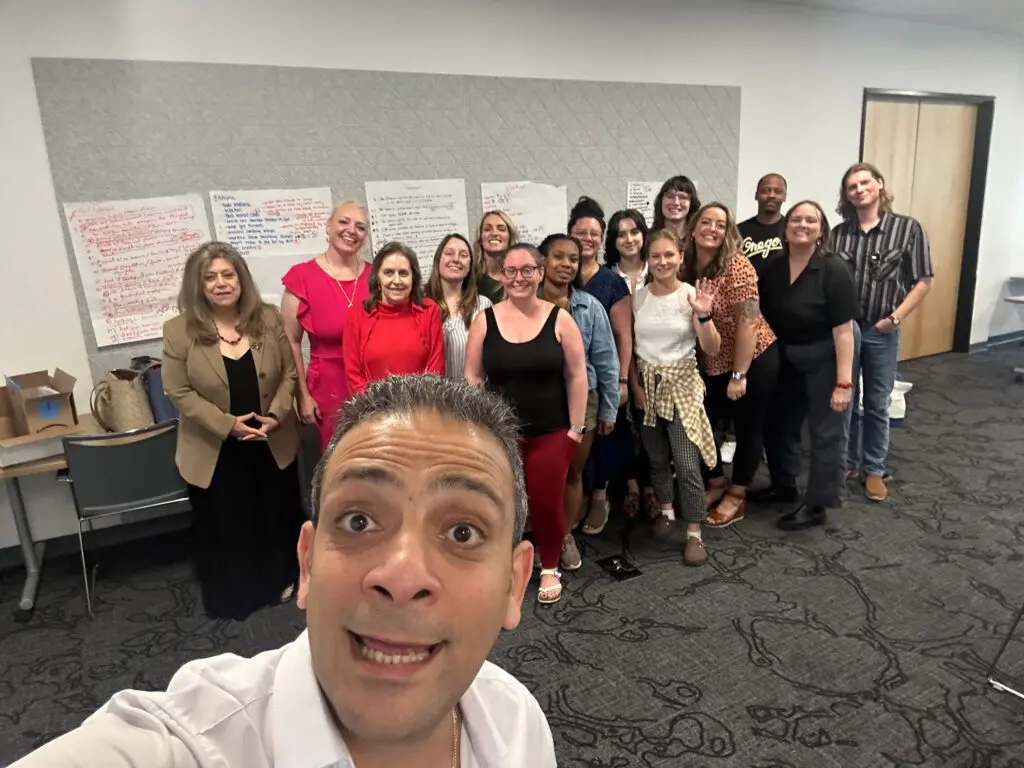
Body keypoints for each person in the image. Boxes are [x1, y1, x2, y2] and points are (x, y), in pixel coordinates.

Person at [9, 375, 557, 767]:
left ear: (514, 583)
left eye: (462, 532)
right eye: (360, 519)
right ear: (308, 563)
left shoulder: (516, 723)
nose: (402, 574)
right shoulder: (189, 746)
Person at [161, 242, 304, 620]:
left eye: (228, 274)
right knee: (228, 521)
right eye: (210, 277)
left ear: (241, 279)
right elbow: (177, 391)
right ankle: (238, 594)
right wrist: (228, 426)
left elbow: (289, 373)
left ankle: (281, 582)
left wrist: (275, 415)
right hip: (215, 448)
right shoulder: (179, 331)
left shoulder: (269, 318)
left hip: (270, 441)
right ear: (198, 285)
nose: (221, 283)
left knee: (274, 513)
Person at [465, 244, 588, 604]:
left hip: (551, 431)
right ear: (501, 277)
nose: (518, 278)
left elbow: (577, 375)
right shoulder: (484, 320)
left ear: (540, 272)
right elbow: (472, 377)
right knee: (502, 504)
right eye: (510, 271)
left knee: (547, 503)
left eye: (526, 270)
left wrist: (576, 429)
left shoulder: (560, 318)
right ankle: (502, 565)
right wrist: (480, 429)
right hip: (501, 435)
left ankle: (549, 565)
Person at [832, 162, 933, 502]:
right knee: (844, 400)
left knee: (876, 402)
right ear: (846, 195)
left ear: (879, 185)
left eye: (864, 183)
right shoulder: (838, 234)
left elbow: (923, 281)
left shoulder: (907, 230)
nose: (858, 190)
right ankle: (845, 462)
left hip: (880, 329)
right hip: (845, 329)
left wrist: (896, 317)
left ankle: (874, 468)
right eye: (851, 186)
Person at [755, 201, 859, 530]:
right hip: (786, 354)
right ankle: (783, 485)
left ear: (821, 230)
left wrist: (844, 384)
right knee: (778, 423)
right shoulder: (773, 266)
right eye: (796, 219)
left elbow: (844, 331)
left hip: (826, 354)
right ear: (784, 228)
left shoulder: (833, 269)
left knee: (825, 430)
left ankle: (818, 504)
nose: (802, 224)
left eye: (810, 220)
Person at [683, 203, 779, 528]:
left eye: (720, 224)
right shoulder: (684, 265)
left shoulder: (737, 265)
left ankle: (737, 495)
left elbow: (749, 322)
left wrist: (739, 375)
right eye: (706, 222)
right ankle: (716, 484)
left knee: (748, 426)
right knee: (706, 424)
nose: (712, 228)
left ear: (727, 232)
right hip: (711, 359)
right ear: (693, 228)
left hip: (752, 356)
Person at [629, 229, 720, 566]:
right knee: (655, 456)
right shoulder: (637, 299)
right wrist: (636, 387)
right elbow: (634, 350)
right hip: (649, 385)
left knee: (685, 461)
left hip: (682, 385)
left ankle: (694, 531)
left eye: (669, 255)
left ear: (681, 257)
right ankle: (666, 511)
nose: (662, 262)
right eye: (656, 256)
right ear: (647, 261)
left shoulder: (692, 296)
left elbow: (711, 348)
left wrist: (704, 314)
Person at [537, 233, 619, 571]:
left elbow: (606, 360)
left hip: (583, 399)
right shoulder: (521, 304)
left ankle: (563, 536)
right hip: (537, 399)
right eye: (559, 257)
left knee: (573, 472)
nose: (567, 264)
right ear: (542, 262)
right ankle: (539, 533)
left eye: (573, 258)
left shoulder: (590, 307)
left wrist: (609, 408)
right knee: (538, 474)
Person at [281, 201, 371, 451]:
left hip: (370, 384)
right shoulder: (302, 277)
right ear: (328, 226)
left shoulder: (376, 278)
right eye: (343, 222)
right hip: (326, 387)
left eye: (360, 227)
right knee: (334, 462)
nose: (351, 230)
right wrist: (302, 396)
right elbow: (291, 341)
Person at [567, 196, 632, 534]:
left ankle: (599, 498)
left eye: (595, 233)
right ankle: (573, 502)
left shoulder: (611, 281)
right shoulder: (560, 274)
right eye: (581, 231)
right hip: (564, 382)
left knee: (603, 439)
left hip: (601, 377)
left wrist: (621, 382)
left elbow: (623, 335)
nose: (588, 238)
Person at [603, 208, 656, 518]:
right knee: (625, 428)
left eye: (634, 231)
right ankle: (633, 486)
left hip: (658, 362)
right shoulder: (608, 276)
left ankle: (652, 488)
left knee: (652, 428)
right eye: (620, 234)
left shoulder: (660, 266)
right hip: (623, 364)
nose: (629, 239)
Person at [343, 242, 445, 394]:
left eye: (403, 273)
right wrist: (378, 410)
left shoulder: (429, 311)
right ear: (377, 277)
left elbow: (436, 367)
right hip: (373, 411)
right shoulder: (356, 315)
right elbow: (353, 374)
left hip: (420, 407)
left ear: (413, 278)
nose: (396, 281)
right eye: (389, 272)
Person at [425, 233, 492, 380]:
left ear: (470, 265)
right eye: (449, 253)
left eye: (463, 255)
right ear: (438, 261)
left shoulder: (483, 306)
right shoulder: (421, 303)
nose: (456, 259)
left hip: (472, 398)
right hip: (430, 398)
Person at [738, 173, 788, 277]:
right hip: (748, 291)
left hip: (783, 292)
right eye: (765, 191)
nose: (771, 195)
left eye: (778, 191)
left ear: (784, 196)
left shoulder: (791, 230)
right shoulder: (738, 230)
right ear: (756, 195)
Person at [474, 210, 518, 304]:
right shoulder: (470, 277)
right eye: (487, 229)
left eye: (501, 229)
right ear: (480, 238)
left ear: (510, 237)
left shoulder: (520, 276)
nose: (494, 233)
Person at [652, 175, 701, 243]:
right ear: (661, 201)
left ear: (691, 203)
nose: (676, 203)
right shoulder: (648, 239)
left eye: (682, 197)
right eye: (670, 196)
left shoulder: (698, 240)